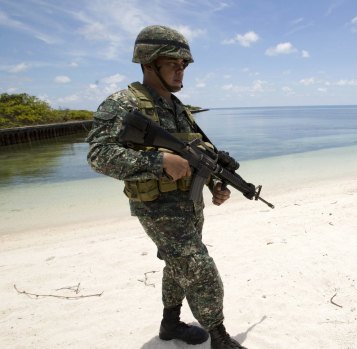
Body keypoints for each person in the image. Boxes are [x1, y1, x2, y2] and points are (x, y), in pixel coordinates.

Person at [86, 25, 247, 349]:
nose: (180, 69)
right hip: (157, 207)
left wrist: (216, 183)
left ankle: (170, 324)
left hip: (189, 206)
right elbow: (97, 155)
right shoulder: (122, 103)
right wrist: (158, 162)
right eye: (173, 62)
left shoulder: (179, 108)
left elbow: (199, 153)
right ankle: (220, 337)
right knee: (200, 268)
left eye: (184, 64)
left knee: (178, 266)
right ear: (148, 62)